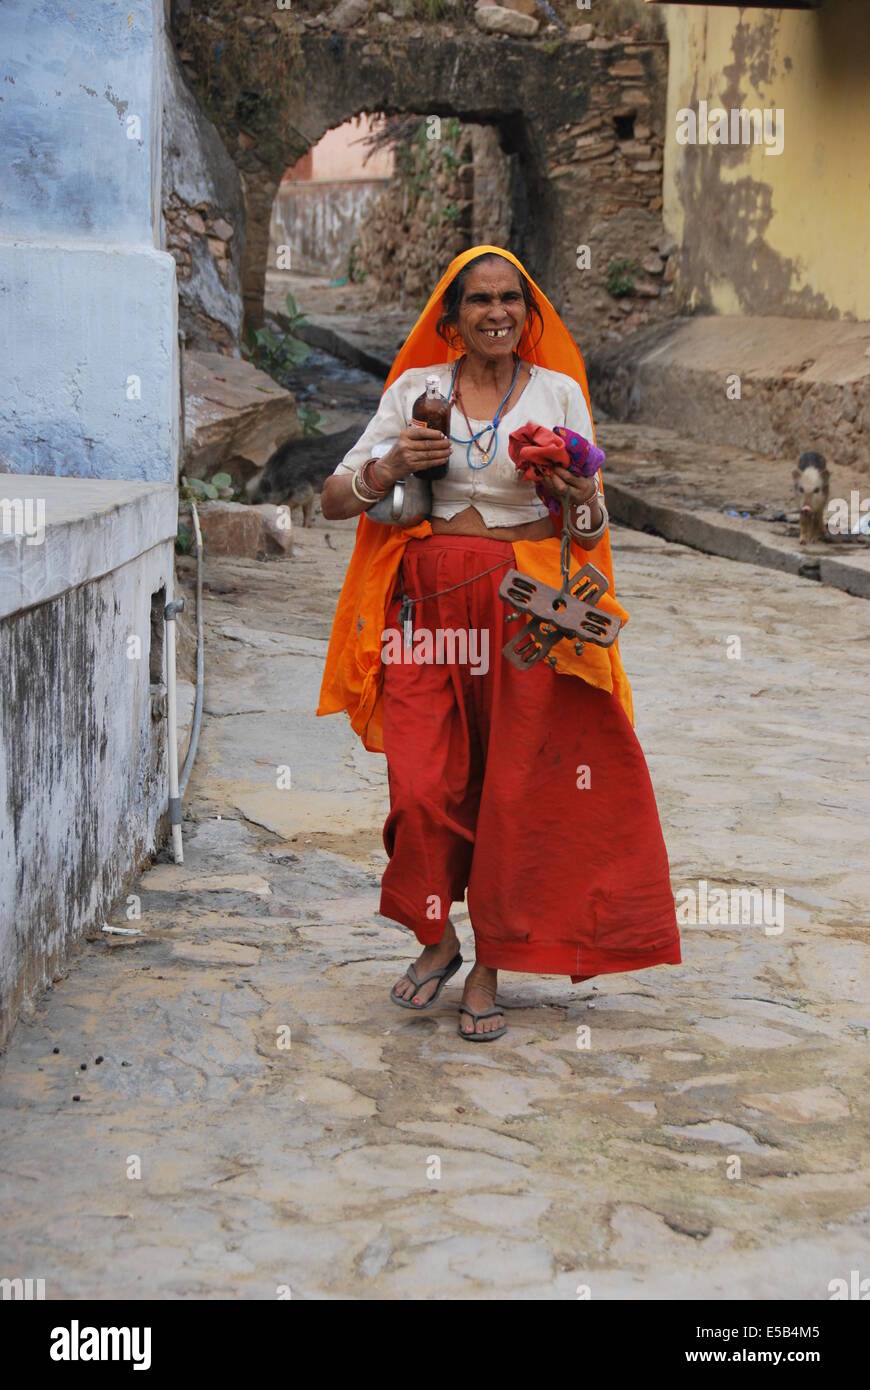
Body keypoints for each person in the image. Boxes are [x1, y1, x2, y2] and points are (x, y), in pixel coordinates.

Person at [319, 246, 680, 1041]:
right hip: (426, 611)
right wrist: (388, 467)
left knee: (511, 793)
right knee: (422, 788)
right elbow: (333, 501)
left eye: (510, 299)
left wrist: (577, 492)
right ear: (450, 320)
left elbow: (590, 531)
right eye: (479, 300)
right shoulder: (417, 393)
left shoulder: (557, 395)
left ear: (529, 313)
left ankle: (489, 965)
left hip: (522, 618)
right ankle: (436, 935)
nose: (496, 312)